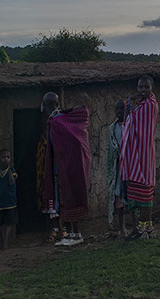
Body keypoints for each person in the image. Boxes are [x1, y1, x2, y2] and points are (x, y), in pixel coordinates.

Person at [119, 75, 158, 239]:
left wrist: (129, 102)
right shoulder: (140, 105)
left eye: (146, 87)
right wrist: (129, 100)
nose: (143, 90)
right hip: (137, 155)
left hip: (145, 154)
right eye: (140, 87)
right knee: (140, 194)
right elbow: (126, 120)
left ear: (151, 88)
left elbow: (131, 120)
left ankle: (142, 229)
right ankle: (147, 228)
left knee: (146, 194)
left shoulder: (150, 105)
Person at [49, 98, 92, 246]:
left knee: (71, 198)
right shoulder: (53, 121)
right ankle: (68, 235)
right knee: (63, 201)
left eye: (48, 104)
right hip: (59, 167)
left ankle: (77, 234)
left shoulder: (59, 121)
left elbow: (74, 142)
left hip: (69, 167)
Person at [37, 92, 63, 243]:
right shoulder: (44, 121)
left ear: (57, 105)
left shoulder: (61, 120)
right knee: (49, 195)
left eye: (53, 104)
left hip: (59, 165)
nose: (50, 107)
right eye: (47, 104)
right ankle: (54, 229)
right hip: (47, 166)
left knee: (61, 196)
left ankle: (63, 228)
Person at [106, 100, 127, 234]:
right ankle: (122, 227)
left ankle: (136, 226)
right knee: (118, 195)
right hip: (117, 167)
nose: (119, 111)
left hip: (130, 166)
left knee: (130, 195)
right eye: (117, 109)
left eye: (122, 108)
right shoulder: (112, 128)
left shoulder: (131, 125)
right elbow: (111, 149)